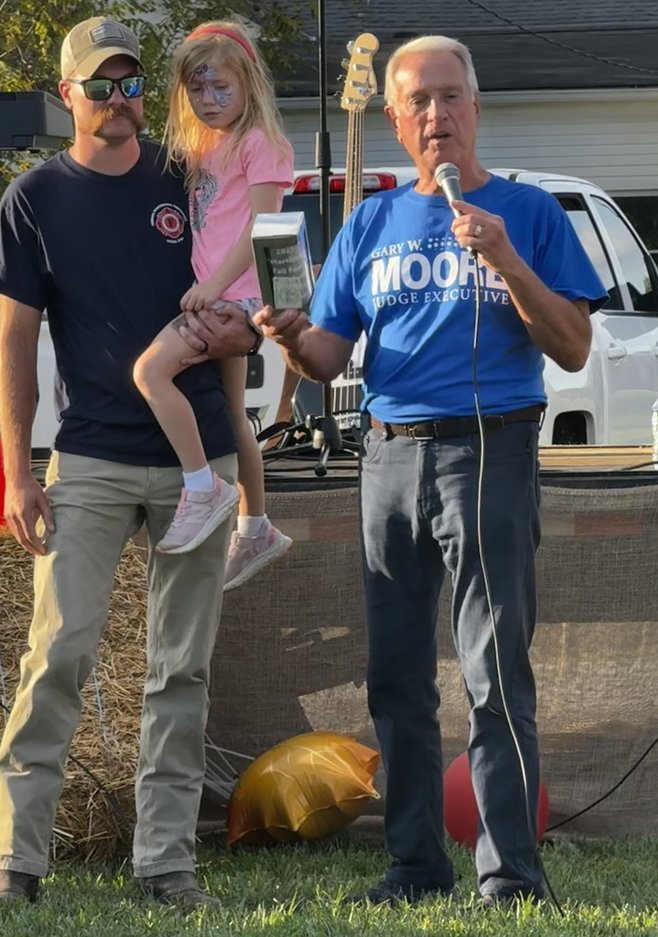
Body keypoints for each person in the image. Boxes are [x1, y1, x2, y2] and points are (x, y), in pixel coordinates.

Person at [256, 35, 606, 907]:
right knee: (397, 676)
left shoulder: (526, 212)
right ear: (395, 119)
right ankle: (415, 863)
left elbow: (572, 345)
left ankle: (512, 873)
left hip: (489, 448)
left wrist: (506, 261)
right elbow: (330, 352)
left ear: (476, 107)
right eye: (418, 102)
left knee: (494, 670)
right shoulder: (371, 223)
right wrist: (290, 336)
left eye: (451, 98)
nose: (436, 116)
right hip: (387, 454)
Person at [0, 15, 255, 909]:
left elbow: (252, 288)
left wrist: (242, 323)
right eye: (100, 85)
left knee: (181, 668)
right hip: (88, 457)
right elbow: (14, 346)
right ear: (67, 95)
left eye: (132, 84)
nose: (118, 100)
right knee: (58, 651)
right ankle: (14, 865)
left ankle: (166, 865)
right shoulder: (33, 199)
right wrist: (18, 471)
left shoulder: (192, 177)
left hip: (197, 459)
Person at [132, 21, 294, 590]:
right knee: (230, 414)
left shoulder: (261, 143)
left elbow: (260, 227)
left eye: (221, 88)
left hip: (237, 295)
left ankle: (203, 487)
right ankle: (256, 524)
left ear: (248, 81)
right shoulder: (205, 144)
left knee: (150, 371)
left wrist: (214, 286)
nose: (209, 100)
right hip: (218, 291)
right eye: (197, 90)